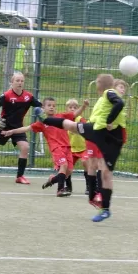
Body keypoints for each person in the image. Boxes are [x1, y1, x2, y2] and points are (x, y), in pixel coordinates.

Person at [41, 74, 126, 222]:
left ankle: (102, 205)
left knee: (103, 170)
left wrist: (109, 120)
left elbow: (119, 104)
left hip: (109, 135)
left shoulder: (109, 92)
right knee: (72, 127)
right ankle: (100, 204)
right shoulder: (103, 98)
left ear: (98, 86)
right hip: (98, 130)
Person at [2, 97, 86, 197]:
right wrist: (12, 131)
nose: (51, 107)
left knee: (68, 172)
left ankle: (52, 180)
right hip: (56, 148)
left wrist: (84, 106)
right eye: (49, 105)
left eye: (53, 106)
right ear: (43, 108)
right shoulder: (42, 123)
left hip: (67, 147)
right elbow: (27, 128)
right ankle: (60, 190)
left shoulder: (61, 116)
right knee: (63, 165)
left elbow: (74, 114)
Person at [65, 98, 91, 196]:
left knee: (85, 162)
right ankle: (68, 186)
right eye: (70, 107)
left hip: (84, 148)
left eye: (75, 107)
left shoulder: (80, 119)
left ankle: (89, 186)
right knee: (67, 167)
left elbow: (87, 129)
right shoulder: (65, 121)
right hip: (71, 149)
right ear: (66, 109)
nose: (72, 109)